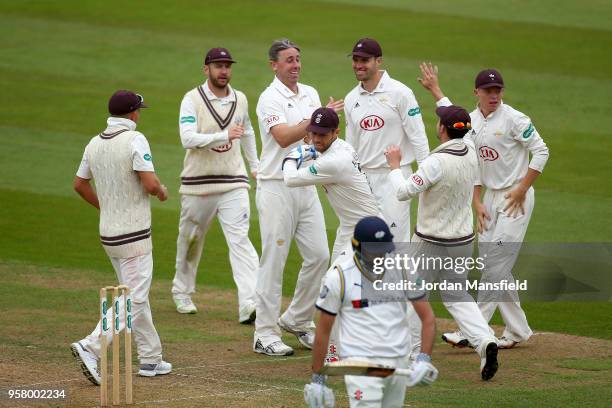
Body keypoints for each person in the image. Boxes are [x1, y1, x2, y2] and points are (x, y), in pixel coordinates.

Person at [418, 63, 549, 349]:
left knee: (495, 264)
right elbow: (451, 115)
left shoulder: (515, 119)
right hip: (489, 199)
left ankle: (473, 330)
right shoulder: (472, 120)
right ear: (476, 92)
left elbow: (541, 151)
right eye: (488, 91)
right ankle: (517, 329)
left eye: (498, 90)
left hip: (517, 198)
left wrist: (522, 188)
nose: (494, 95)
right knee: (499, 267)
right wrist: (476, 201)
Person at [384, 104, 499, 380]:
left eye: (439, 123)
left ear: (442, 130)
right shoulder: (471, 149)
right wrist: (437, 93)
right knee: (457, 295)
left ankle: (414, 356)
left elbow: (402, 192)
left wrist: (395, 166)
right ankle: (484, 340)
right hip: (462, 239)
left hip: (430, 241)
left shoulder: (435, 162)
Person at [70, 90, 171, 385]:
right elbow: (150, 183)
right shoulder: (135, 139)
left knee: (134, 294)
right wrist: (162, 191)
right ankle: (91, 346)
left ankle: (151, 358)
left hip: (109, 234)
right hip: (134, 234)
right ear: (133, 114)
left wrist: (108, 207)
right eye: (139, 110)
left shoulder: (93, 143)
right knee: (134, 297)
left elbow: (79, 185)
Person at [253, 39, 344, 356]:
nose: (295, 65)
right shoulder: (269, 99)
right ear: (274, 65)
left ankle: (296, 319)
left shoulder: (311, 93)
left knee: (320, 255)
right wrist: (317, 119)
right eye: (289, 60)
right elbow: (282, 138)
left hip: (305, 183)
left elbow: (312, 138)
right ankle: (264, 333)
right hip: (276, 185)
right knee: (273, 260)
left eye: (297, 59)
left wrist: (326, 126)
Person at [305, 216, 438, 408]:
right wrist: (318, 378)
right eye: (373, 252)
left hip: (398, 361)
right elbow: (323, 331)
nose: (379, 257)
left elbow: (427, 318)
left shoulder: (403, 268)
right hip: (361, 366)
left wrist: (424, 358)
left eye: (383, 251)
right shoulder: (339, 277)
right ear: (356, 246)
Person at [171, 47, 260, 324]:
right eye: (218, 66)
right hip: (198, 184)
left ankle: (249, 302)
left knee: (240, 240)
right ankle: (182, 291)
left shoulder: (240, 99)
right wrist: (223, 135)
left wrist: (255, 166)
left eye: (227, 66)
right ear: (206, 68)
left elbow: (246, 132)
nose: (224, 71)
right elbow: (187, 138)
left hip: (234, 181)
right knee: (191, 239)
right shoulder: (191, 99)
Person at [344, 38, 430, 243]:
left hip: (396, 177)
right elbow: (351, 147)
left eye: (364, 60)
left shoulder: (400, 93)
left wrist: (426, 175)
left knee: (396, 243)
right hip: (364, 180)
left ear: (378, 61)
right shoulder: (351, 98)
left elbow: (418, 136)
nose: (358, 64)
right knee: (366, 243)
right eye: (355, 59)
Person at [282, 107, 381, 263]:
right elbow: (319, 150)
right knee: (334, 283)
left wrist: (292, 156)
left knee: (343, 282)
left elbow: (290, 179)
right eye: (313, 133)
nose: (316, 139)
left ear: (336, 132)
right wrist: (312, 148)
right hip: (350, 227)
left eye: (322, 134)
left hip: (365, 232)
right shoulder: (341, 146)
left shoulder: (334, 162)